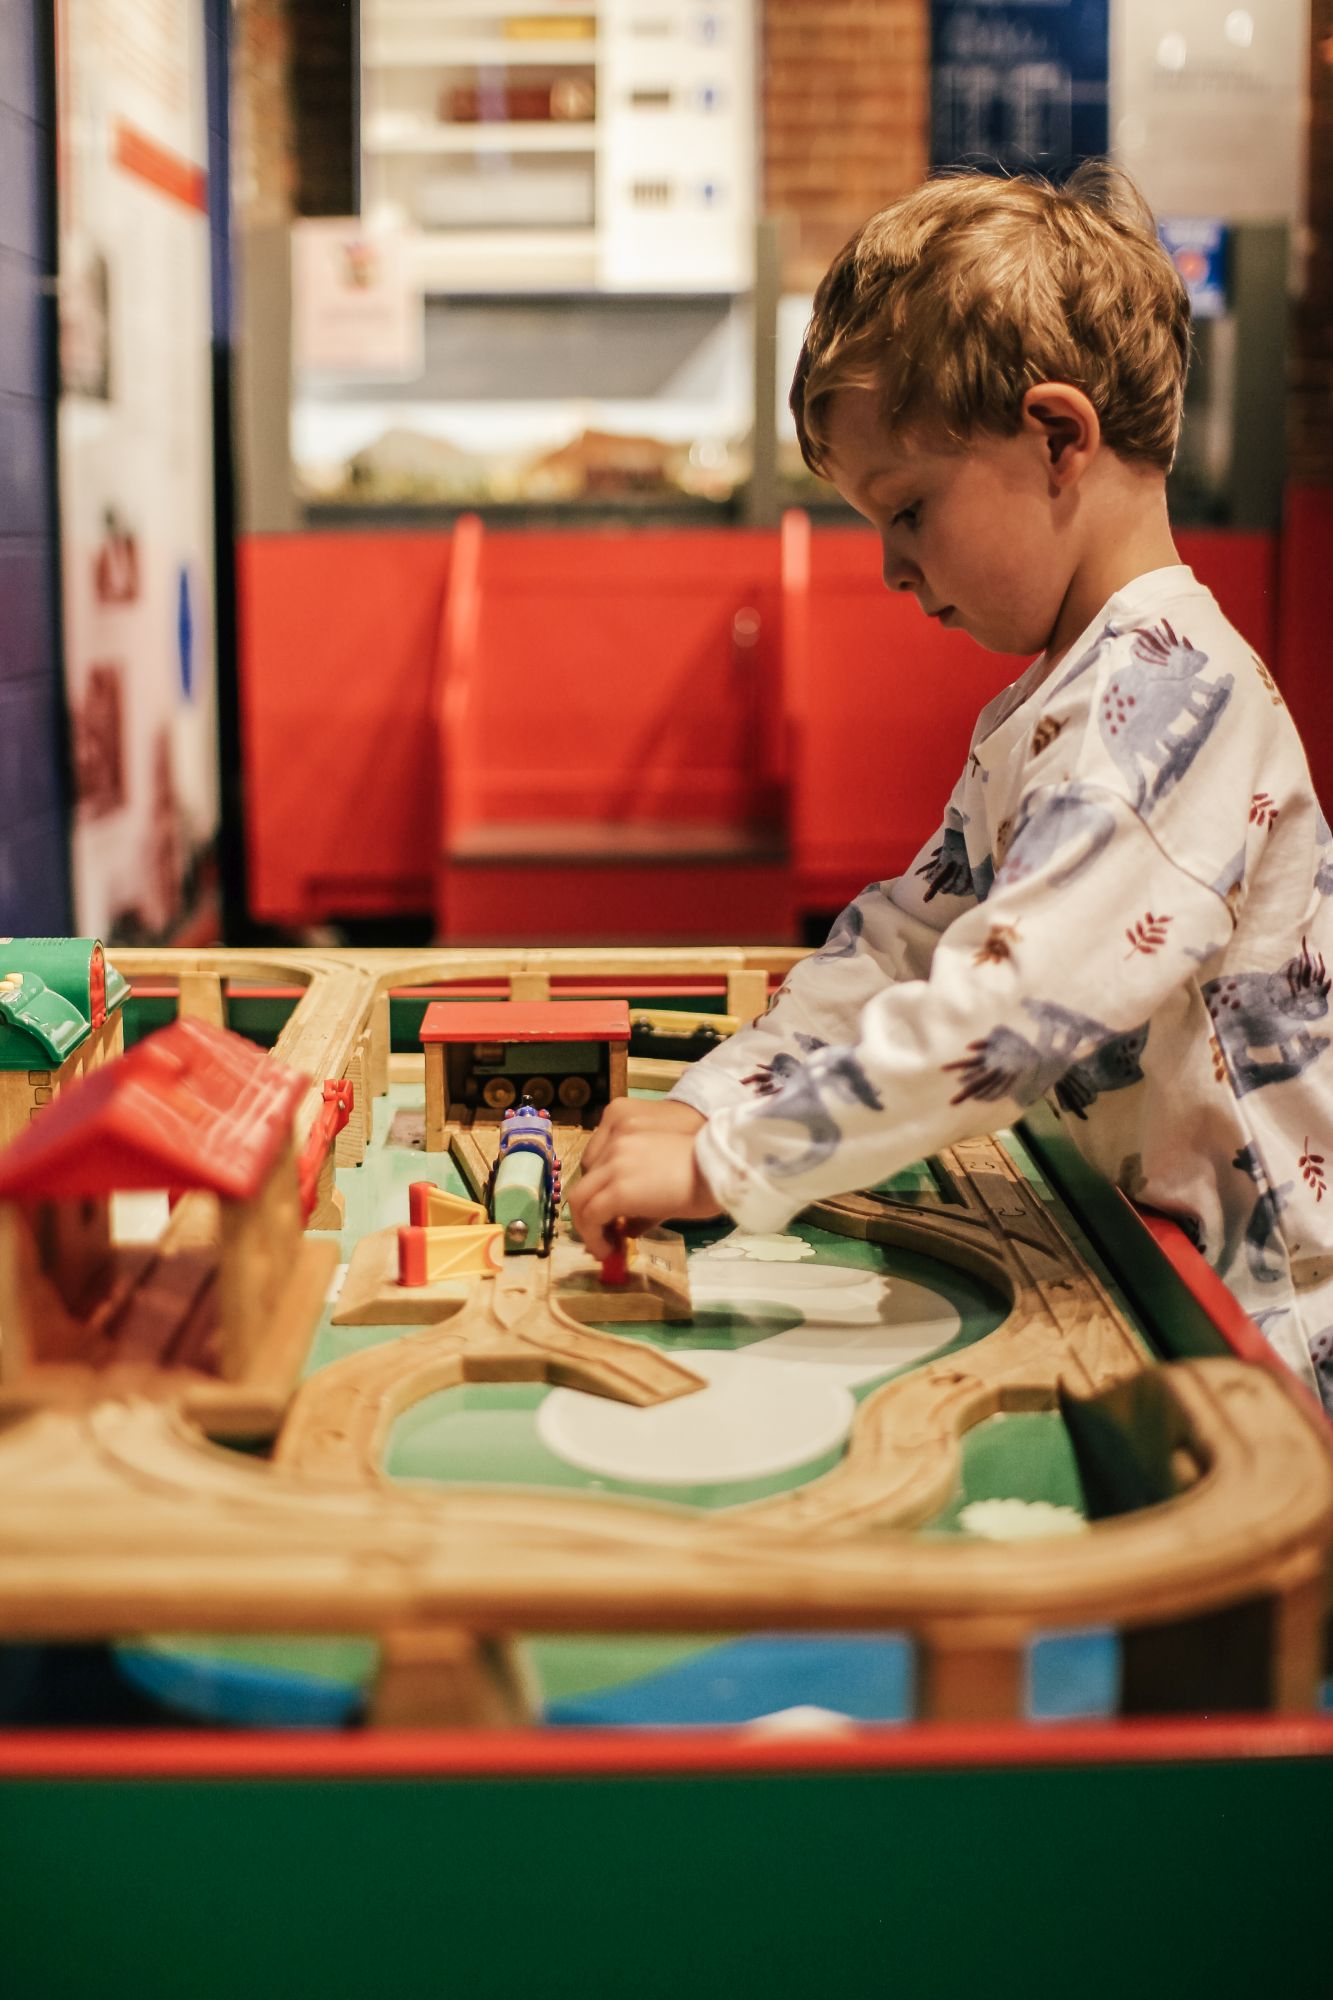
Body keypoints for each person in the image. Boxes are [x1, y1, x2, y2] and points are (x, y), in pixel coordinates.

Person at [568, 163, 1333, 1408]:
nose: (889, 567)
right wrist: (711, 1100)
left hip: (1272, 1336)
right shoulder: (1056, 701)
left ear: (1056, 436)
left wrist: (728, 1160)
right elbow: (900, 945)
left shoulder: (1163, 704)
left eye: (909, 508)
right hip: (1162, 1269)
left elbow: (1000, 1009)